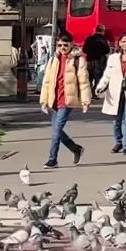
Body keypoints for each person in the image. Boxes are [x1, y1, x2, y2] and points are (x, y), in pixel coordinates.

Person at [38, 37, 88, 168]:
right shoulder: (53, 59)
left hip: (67, 100)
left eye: (65, 45)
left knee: (56, 130)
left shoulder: (78, 60)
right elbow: (47, 81)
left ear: (71, 44)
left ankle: (52, 159)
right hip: (54, 100)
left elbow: (84, 81)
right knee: (56, 130)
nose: (62, 48)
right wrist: (44, 100)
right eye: (60, 45)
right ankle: (75, 149)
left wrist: (85, 101)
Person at [83, 27, 111, 100]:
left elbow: (84, 50)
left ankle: (87, 94)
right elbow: (107, 51)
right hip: (99, 61)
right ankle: (94, 93)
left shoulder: (89, 39)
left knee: (89, 78)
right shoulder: (103, 40)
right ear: (103, 31)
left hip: (89, 61)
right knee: (98, 78)